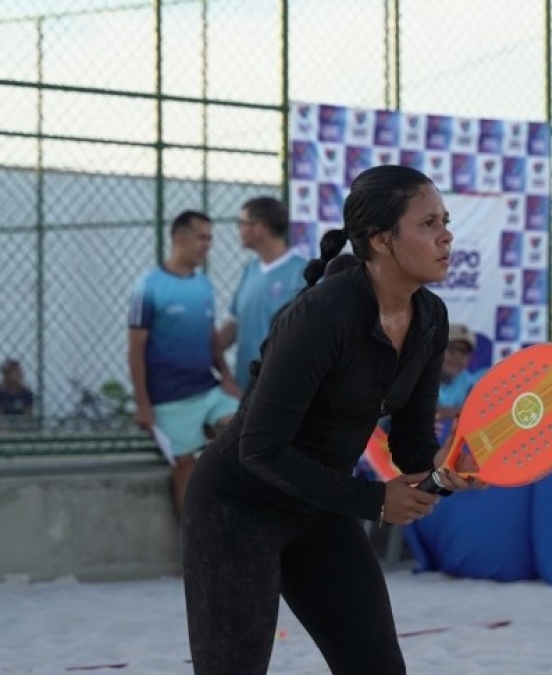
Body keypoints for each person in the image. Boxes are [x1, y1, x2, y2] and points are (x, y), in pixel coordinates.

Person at [181, 165, 481, 675]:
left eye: (445, 221)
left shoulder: (430, 318)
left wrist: (446, 466)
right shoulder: (322, 315)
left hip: (321, 508)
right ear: (382, 240)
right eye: (428, 223)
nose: (446, 236)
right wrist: (374, 499)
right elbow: (260, 449)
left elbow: (410, 441)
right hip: (237, 507)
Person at [128, 210, 240, 520]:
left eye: (210, 239)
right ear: (179, 238)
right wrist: (143, 405)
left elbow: (210, 338)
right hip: (169, 397)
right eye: (201, 237)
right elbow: (135, 350)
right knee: (185, 467)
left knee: (243, 433)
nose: (207, 245)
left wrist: (227, 379)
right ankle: (193, 550)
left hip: (208, 389)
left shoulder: (203, 284)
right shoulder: (147, 287)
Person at [217, 197, 308, 391]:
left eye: (242, 223)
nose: (239, 230)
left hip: (282, 390)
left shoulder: (303, 272)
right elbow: (232, 325)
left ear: (259, 227)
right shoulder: (249, 270)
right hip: (245, 388)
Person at [0, 359, 35, 430]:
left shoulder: (26, 393)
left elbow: (28, 414)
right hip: (3, 425)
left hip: (21, 425)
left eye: (17, 373)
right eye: (8, 373)